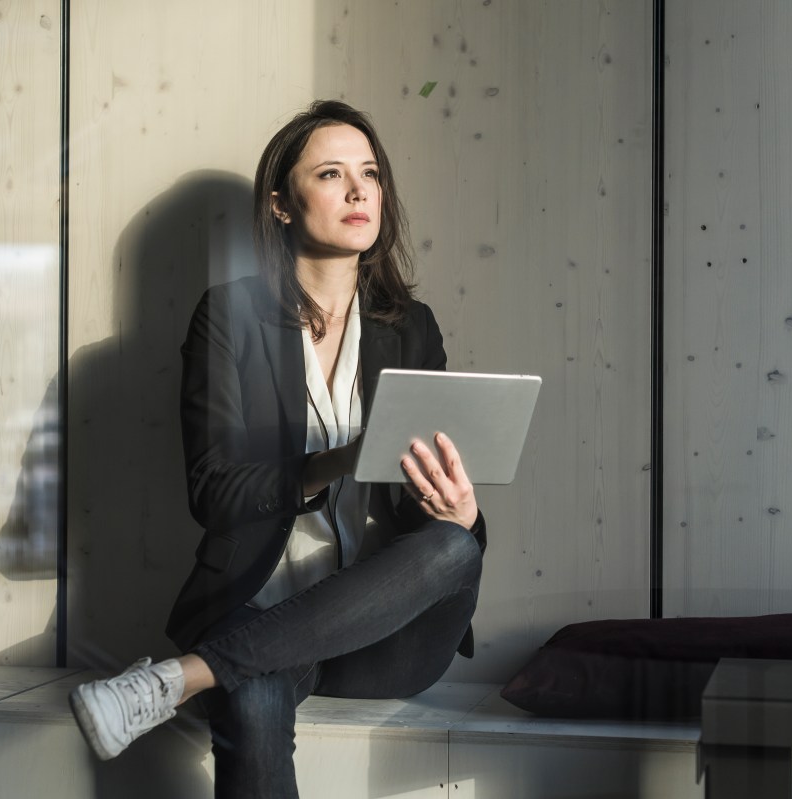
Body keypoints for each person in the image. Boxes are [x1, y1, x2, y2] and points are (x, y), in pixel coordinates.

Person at [68, 99, 486, 797]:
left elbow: (430, 499)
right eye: (331, 173)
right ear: (282, 204)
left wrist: (458, 509)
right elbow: (213, 490)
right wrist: (339, 459)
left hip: (388, 638)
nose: (359, 191)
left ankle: (176, 679)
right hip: (261, 606)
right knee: (255, 696)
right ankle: (219, 667)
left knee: (456, 548)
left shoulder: (412, 327)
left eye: (370, 174)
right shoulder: (229, 319)